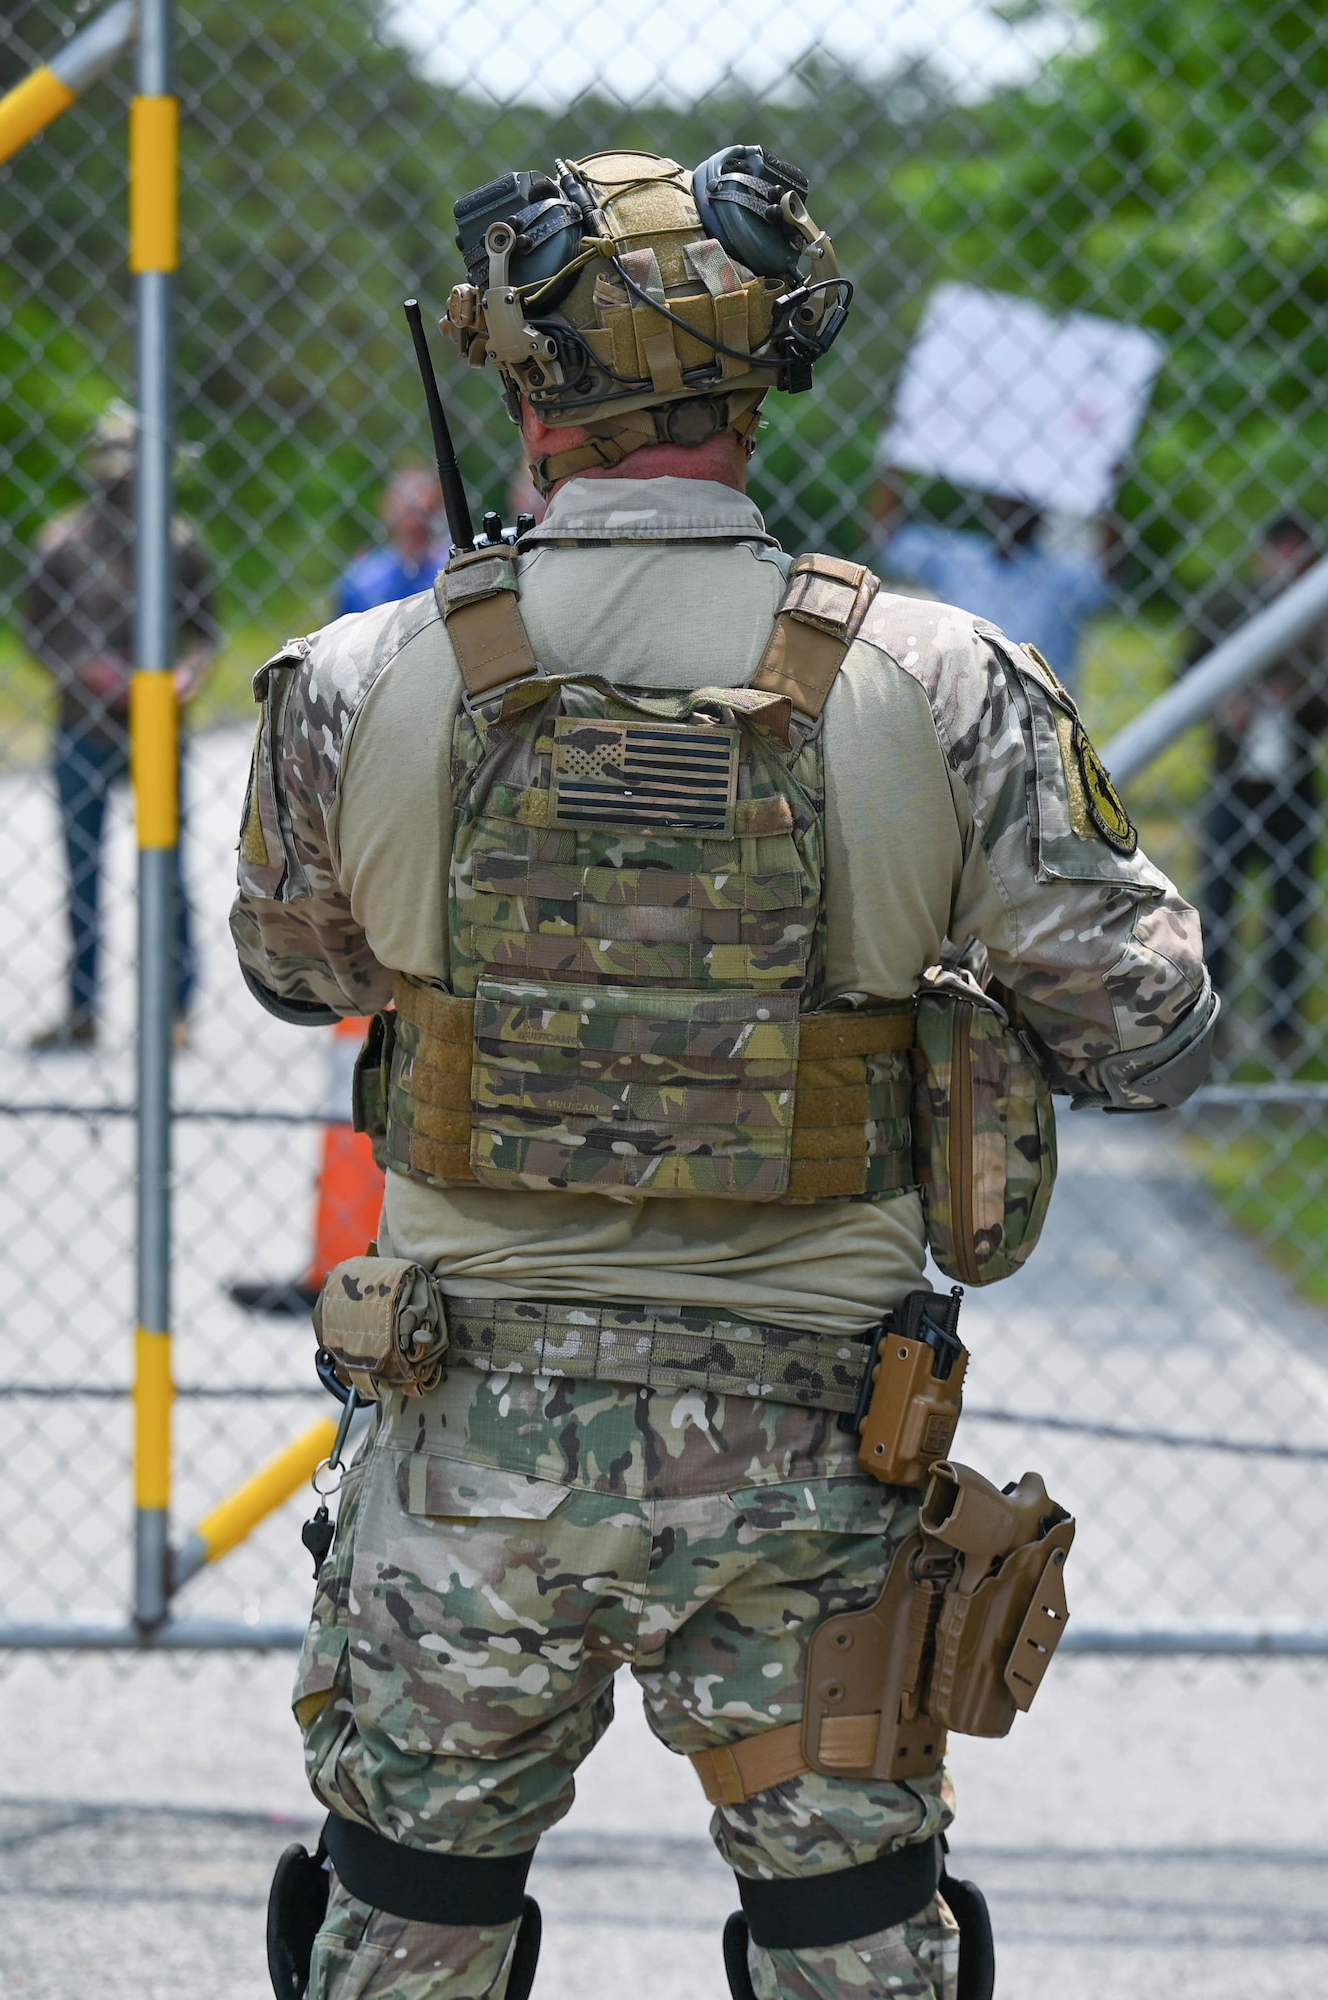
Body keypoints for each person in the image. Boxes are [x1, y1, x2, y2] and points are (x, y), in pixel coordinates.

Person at [232, 148, 1215, 2000]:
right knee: (852, 1949)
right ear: (772, 375)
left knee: (406, 1931)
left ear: (519, 392)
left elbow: (296, 974)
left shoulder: (362, 676)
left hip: (463, 1447)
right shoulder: (946, 674)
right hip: (815, 1455)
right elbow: (1149, 1029)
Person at [23, 402, 219, 1051]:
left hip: (157, 727)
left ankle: (175, 1011)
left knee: (165, 869)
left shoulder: (179, 543)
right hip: (82, 726)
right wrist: (85, 670)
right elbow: (38, 634)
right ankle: (81, 1009)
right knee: (82, 872)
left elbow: (206, 636)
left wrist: (187, 677)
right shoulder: (62, 544)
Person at [1186, 514, 1328, 1058]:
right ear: (1262, 554)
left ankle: (1282, 1033)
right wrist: (1228, 706)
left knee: (1289, 909)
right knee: (1217, 906)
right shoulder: (1229, 606)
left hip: (1294, 778)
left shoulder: (1317, 619)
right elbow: (1187, 672)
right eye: (1281, 553)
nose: (1288, 566)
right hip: (1233, 777)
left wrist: (1302, 699)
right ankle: (1210, 1024)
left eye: (1301, 556)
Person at [869, 470, 1111, 694]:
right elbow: (885, 539)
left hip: (1035, 717)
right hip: (962, 708)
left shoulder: (1063, 575)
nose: (1012, 506)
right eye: (1005, 495)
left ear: (1039, 508)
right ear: (990, 501)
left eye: (1022, 498)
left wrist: (1108, 491)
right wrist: (895, 460)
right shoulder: (958, 556)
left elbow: (1109, 573)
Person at [334, 466, 449, 617]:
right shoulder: (362, 579)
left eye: (422, 511)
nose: (414, 522)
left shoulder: (452, 567)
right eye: (408, 510)